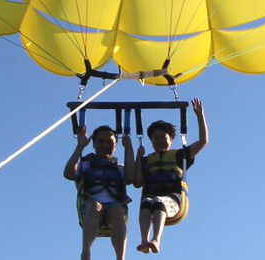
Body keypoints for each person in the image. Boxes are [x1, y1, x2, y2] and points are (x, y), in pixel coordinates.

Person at [133, 98, 208, 254]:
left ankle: (156, 240)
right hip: (150, 198)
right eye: (155, 138)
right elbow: (137, 183)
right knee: (147, 202)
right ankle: (144, 240)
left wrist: (200, 116)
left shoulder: (180, 156)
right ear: (151, 141)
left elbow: (202, 141)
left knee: (157, 201)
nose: (159, 140)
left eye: (163, 137)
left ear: (171, 139)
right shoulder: (147, 160)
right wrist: (138, 159)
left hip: (173, 200)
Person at [65, 124, 135, 260]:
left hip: (114, 209)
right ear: (94, 144)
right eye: (101, 142)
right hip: (90, 208)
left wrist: (129, 148)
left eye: (110, 142)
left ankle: (121, 258)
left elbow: (131, 178)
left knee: (117, 210)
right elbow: (68, 173)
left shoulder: (119, 168)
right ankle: (86, 253)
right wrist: (80, 147)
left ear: (115, 146)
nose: (105, 145)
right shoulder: (85, 165)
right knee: (94, 206)